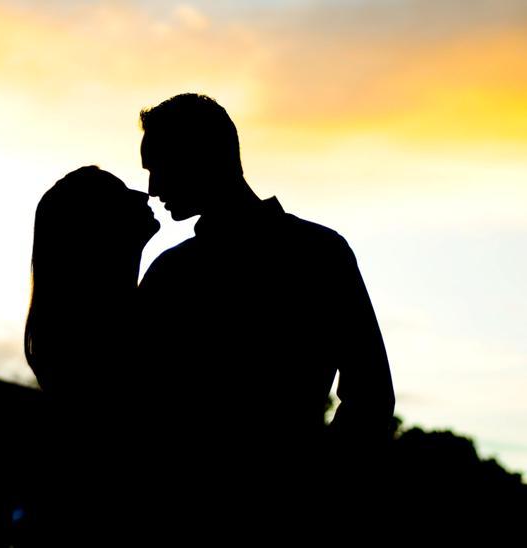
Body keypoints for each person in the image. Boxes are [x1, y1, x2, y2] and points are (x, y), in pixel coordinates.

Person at [136, 93, 396, 530]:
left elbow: (370, 396)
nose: (153, 188)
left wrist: (314, 487)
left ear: (201, 157)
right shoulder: (320, 251)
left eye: (158, 167)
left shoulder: (175, 273)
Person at [23, 165, 159, 546]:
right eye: (123, 196)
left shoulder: (83, 328)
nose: (144, 195)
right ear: (96, 230)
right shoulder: (100, 334)